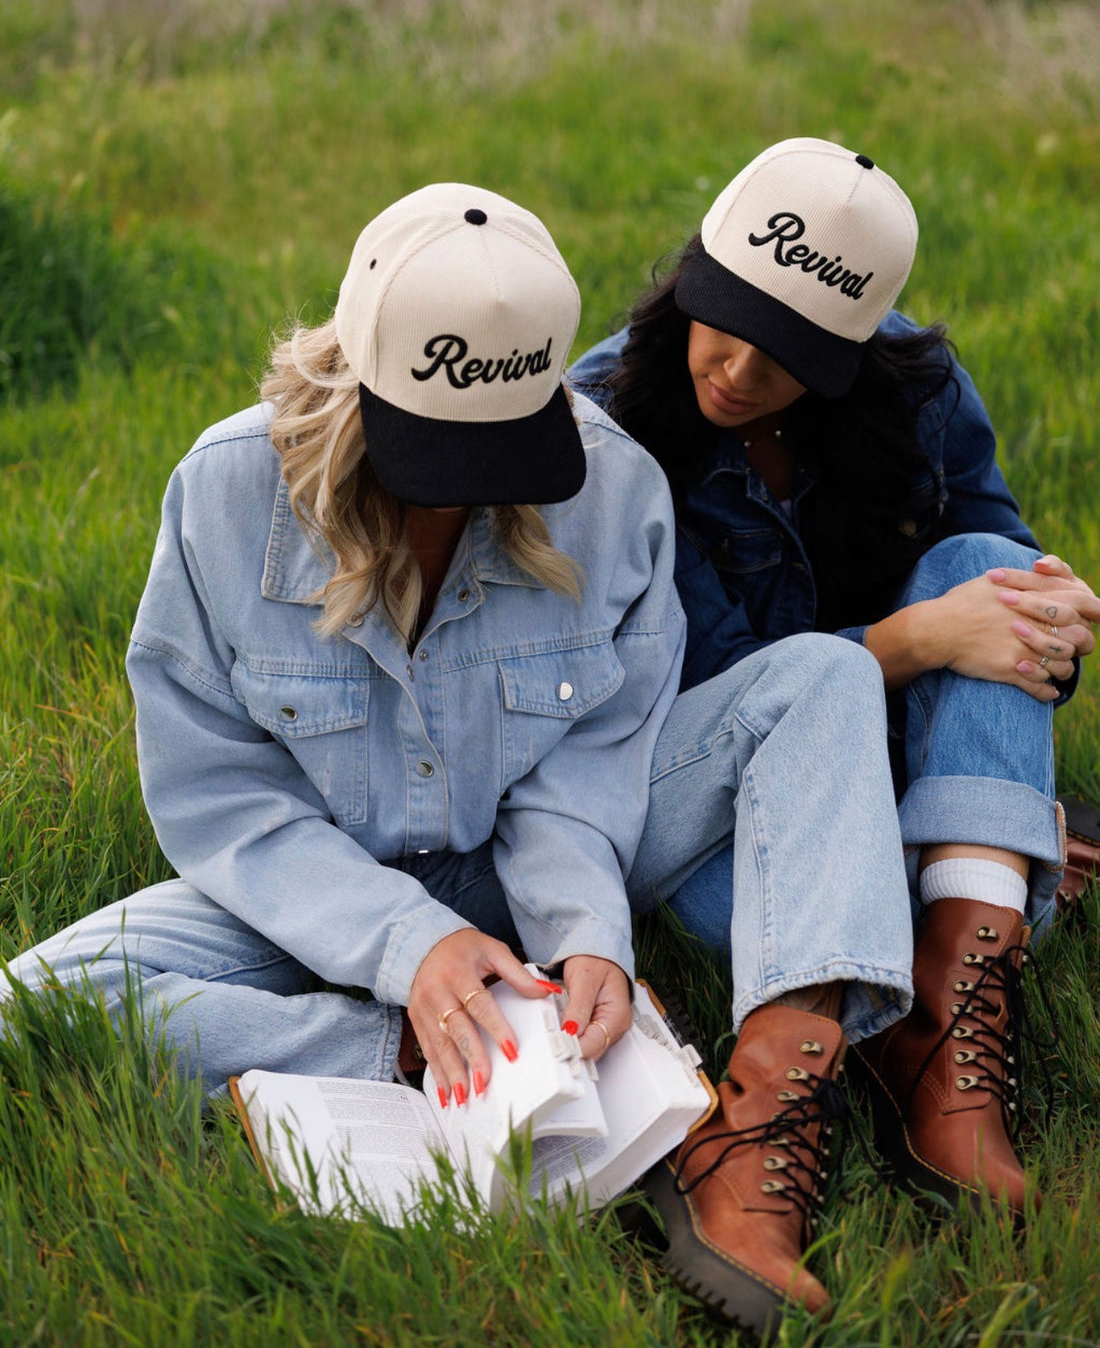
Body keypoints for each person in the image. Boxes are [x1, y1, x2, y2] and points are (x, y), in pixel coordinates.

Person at [2, 178, 923, 1337]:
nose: (476, 492)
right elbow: (223, 796)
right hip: (320, 877)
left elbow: (588, 762)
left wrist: (586, 929)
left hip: (535, 852)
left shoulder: (610, 488)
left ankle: (749, 1127)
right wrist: (410, 951)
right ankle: (415, 1049)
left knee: (821, 675)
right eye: (438, 455)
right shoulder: (224, 497)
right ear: (355, 377)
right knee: (31, 1008)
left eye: (504, 449)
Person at [571, 137, 1100, 1281]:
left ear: (852, 350)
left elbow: (990, 564)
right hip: (705, 804)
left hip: (891, 761)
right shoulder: (607, 421)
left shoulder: (910, 387)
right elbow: (722, 686)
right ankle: (958, 911)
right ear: (693, 273)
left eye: (789, 351)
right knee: (898, 749)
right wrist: (917, 642)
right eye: (724, 315)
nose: (737, 369)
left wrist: (1042, 616)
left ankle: (942, 1030)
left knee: (980, 556)